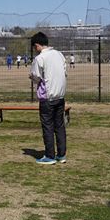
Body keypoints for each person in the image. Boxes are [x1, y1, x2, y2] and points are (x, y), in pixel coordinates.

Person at [29, 32, 67, 165]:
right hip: (60, 96)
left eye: (34, 47)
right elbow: (64, 72)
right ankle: (61, 154)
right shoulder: (59, 54)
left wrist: (32, 77)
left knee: (48, 126)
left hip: (47, 98)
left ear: (37, 45)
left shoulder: (40, 58)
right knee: (59, 126)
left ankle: (50, 156)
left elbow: (36, 77)